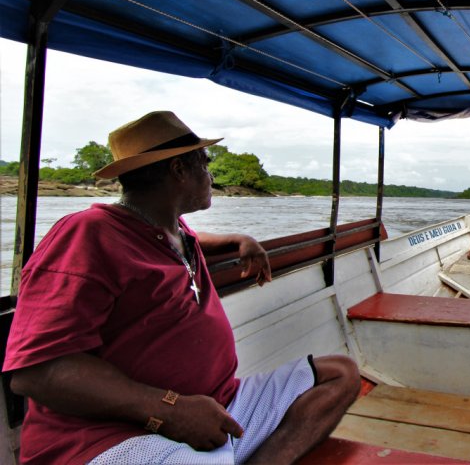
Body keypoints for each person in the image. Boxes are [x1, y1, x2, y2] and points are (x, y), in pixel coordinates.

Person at [2, 111, 360, 464]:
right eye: (204, 163)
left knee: (339, 375)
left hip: (219, 402)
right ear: (179, 170)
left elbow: (179, 243)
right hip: (119, 433)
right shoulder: (86, 235)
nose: (210, 174)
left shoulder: (171, 230)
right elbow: (37, 373)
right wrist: (171, 410)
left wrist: (237, 239)